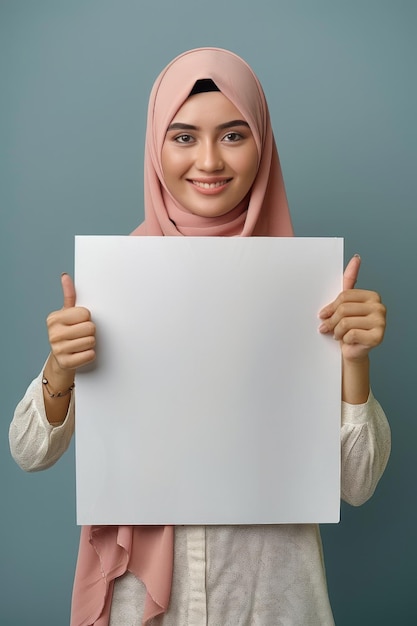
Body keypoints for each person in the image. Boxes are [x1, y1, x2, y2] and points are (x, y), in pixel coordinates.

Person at [9, 47, 391, 626]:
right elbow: (29, 451)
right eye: (183, 137)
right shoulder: (116, 281)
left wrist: (353, 366)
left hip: (274, 597)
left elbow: (357, 485)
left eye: (234, 135)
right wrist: (60, 368)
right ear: (155, 148)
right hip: (143, 602)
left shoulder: (309, 291)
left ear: (262, 144)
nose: (209, 160)